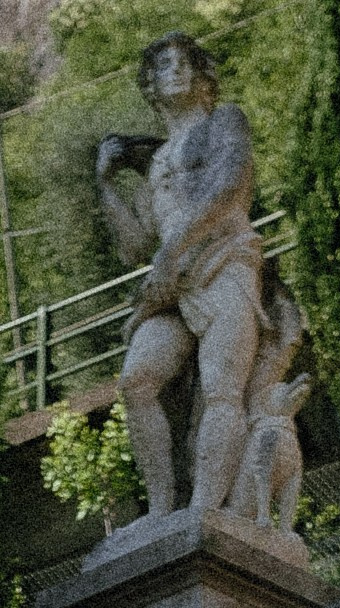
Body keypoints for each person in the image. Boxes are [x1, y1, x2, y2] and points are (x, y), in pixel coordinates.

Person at [99, 34, 270, 522]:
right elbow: (135, 246)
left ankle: (203, 514)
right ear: (150, 85)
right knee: (136, 382)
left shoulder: (224, 121)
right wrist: (107, 185)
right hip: (170, 281)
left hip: (223, 261)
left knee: (222, 387)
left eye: (182, 63)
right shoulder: (155, 163)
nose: (173, 71)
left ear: (202, 77)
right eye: (162, 66)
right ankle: (159, 514)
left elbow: (229, 186)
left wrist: (172, 252)